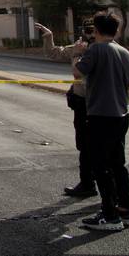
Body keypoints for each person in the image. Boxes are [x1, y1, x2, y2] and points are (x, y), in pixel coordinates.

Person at [74, 11, 129, 232]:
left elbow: (77, 73)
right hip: (122, 114)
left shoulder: (95, 50)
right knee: (118, 164)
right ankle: (125, 210)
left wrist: (79, 53)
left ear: (97, 30)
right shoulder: (126, 53)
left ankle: (110, 215)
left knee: (101, 166)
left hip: (100, 115)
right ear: (117, 30)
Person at [35, 22, 95, 197]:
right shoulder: (79, 47)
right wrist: (48, 36)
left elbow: (78, 73)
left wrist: (78, 53)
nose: (89, 36)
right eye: (87, 32)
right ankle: (87, 184)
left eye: (93, 31)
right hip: (81, 103)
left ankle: (105, 191)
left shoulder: (99, 50)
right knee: (84, 146)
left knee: (97, 148)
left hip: (96, 104)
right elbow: (54, 53)